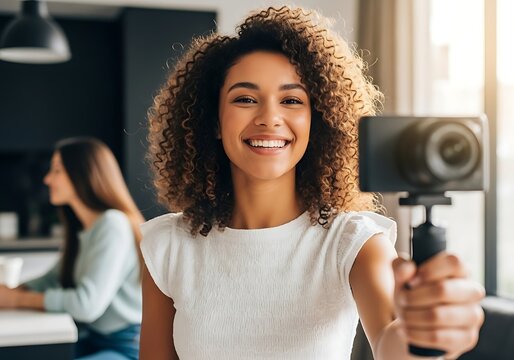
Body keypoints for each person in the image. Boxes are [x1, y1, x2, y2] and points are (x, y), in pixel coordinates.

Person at [139, 6, 485, 360]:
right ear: (213, 121)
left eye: (291, 100)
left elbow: (391, 342)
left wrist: (426, 331)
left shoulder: (353, 242)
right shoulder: (167, 244)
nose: (269, 118)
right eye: (245, 99)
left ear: (316, 121)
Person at [0, 137, 144, 360]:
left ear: (83, 174)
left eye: (57, 170)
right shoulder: (83, 228)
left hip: (123, 348)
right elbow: (52, 278)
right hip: (92, 339)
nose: (47, 179)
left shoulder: (112, 224)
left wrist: (17, 300)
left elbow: (87, 305)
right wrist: (13, 291)